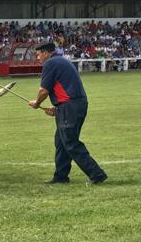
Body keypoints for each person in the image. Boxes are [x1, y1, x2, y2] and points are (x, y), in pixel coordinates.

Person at [29, 42, 108, 185]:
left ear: (46, 53)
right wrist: (57, 108)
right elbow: (64, 88)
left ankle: (96, 174)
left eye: (39, 54)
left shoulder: (50, 63)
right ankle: (61, 176)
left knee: (70, 142)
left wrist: (37, 104)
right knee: (61, 142)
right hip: (72, 105)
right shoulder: (61, 61)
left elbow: (43, 91)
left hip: (69, 107)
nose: (38, 57)